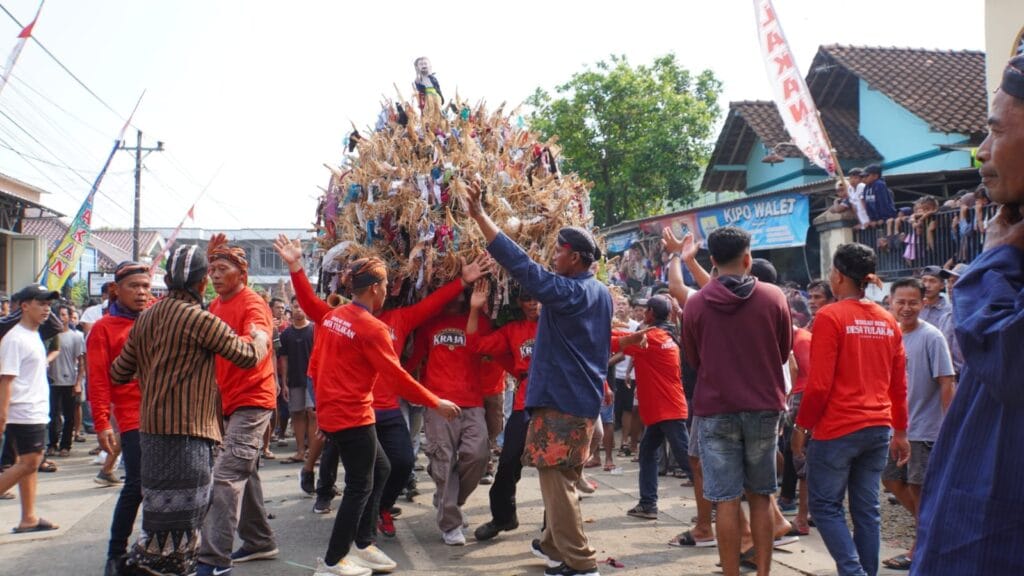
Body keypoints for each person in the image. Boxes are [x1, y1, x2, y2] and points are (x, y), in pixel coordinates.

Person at [913, 55, 1024, 574]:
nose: (980, 151)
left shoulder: (999, 265)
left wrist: (993, 260)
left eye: (995, 130)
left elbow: (1009, 354)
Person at [467, 183, 611, 576]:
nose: (554, 257)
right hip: (580, 400)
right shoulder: (599, 292)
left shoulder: (569, 293)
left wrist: (481, 217)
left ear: (577, 258)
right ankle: (553, 547)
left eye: (560, 251)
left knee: (556, 480)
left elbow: (523, 266)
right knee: (561, 475)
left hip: (562, 402)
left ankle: (580, 562)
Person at [111, 244, 270, 576]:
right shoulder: (199, 318)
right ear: (201, 285)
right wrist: (259, 339)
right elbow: (247, 356)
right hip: (189, 434)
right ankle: (184, 568)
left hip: (151, 433)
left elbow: (119, 372)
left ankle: (149, 564)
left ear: (168, 279)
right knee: (188, 517)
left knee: (158, 514)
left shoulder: (147, 317)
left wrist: (153, 370)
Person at [307, 257, 461, 576]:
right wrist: (436, 402)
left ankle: (363, 544)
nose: (388, 291)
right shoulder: (372, 327)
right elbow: (397, 378)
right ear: (375, 288)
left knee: (383, 467)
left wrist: (321, 409)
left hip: (336, 413)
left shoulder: (334, 316)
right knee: (358, 486)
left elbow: (316, 365)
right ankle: (334, 560)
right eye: (386, 285)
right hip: (353, 416)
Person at [791, 243, 910, 576]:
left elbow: (819, 385)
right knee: (867, 511)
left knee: (825, 507)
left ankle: (853, 572)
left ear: (838, 275)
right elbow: (898, 385)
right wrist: (900, 431)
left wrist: (801, 428)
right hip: (878, 427)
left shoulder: (830, 316)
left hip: (838, 429)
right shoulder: (888, 320)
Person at [681, 226, 792, 576]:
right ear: (748, 259)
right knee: (761, 495)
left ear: (712, 261)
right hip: (763, 408)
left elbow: (693, 359)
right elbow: (783, 348)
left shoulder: (697, 303)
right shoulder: (774, 297)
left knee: (725, 500)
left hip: (715, 410)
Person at [197, 234, 280, 575]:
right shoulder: (215, 306)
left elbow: (258, 335)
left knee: (227, 475)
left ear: (242, 275)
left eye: (222, 268)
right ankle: (260, 540)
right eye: (211, 269)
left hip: (253, 400)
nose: (215, 275)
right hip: (228, 400)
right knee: (247, 471)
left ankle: (213, 559)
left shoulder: (252, 302)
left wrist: (255, 345)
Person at [879, 278, 955, 571]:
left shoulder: (932, 336)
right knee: (891, 481)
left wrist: (949, 429)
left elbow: (946, 382)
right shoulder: (891, 334)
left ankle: (918, 548)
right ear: (890, 302)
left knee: (917, 487)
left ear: (923, 304)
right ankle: (933, 531)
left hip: (925, 429)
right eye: (901, 302)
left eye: (913, 302)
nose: (906, 308)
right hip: (896, 428)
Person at [408, 292, 491, 545]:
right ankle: (450, 524)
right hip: (438, 403)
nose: (454, 298)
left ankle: (450, 501)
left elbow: (483, 347)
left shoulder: (482, 321)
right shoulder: (429, 323)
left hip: (473, 401)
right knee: (443, 460)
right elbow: (415, 358)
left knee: (478, 455)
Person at [88, 262, 151, 575]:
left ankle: (153, 548)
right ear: (116, 289)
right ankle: (115, 554)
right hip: (131, 418)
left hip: (166, 415)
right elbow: (98, 380)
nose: (141, 293)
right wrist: (101, 422)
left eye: (145, 286)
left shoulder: (157, 318)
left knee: (162, 486)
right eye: (134, 286)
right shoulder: (103, 328)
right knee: (137, 485)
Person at [469, 286, 539, 542]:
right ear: (518, 302)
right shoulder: (514, 330)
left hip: (555, 402)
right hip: (524, 403)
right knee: (508, 461)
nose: (533, 303)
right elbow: (477, 344)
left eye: (536, 297)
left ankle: (552, 529)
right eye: (527, 298)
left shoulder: (559, 325)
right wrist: (476, 309)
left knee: (554, 470)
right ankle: (503, 517)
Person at [614, 295, 690, 521]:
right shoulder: (668, 335)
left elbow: (620, 339)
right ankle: (648, 504)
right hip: (666, 408)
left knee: (686, 459)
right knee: (648, 451)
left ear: (649, 314)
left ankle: (715, 504)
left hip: (666, 409)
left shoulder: (652, 337)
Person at [0, 284, 62, 534]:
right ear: (25, 306)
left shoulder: (33, 333)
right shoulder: (14, 338)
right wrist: (2, 415)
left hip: (33, 409)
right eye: (41, 303)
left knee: (28, 463)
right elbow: (6, 379)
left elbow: (56, 326)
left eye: (49, 304)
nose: (47, 309)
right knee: (30, 462)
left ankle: (29, 518)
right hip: (23, 410)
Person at [278, 295, 315, 464]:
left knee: (312, 414)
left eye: (301, 306)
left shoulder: (315, 330)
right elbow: (283, 359)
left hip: (313, 380)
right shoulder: (286, 334)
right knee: (297, 414)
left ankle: (314, 453)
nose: (298, 309)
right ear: (290, 309)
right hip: (294, 380)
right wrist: (283, 382)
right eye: (295, 306)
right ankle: (300, 451)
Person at [46, 304, 85, 458]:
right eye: (59, 315)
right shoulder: (49, 336)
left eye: (64, 315)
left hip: (69, 380)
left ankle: (65, 445)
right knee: (53, 414)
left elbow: (82, 361)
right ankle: (52, 444)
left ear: (69, 317)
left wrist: (78, 382)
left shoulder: (76, 337)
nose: (62, 318)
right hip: (52, 381)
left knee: (69, 415)